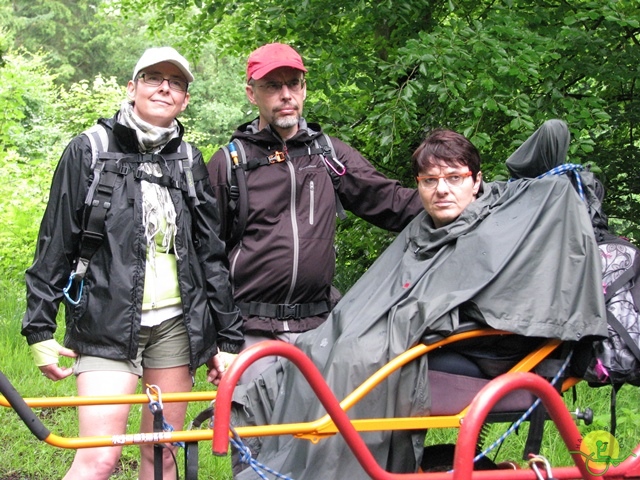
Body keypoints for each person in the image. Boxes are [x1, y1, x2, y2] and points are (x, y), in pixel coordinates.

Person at [228, 125, 608, 479]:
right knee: (311, 351)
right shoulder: (424, 229)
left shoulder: (501, 224)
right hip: (401, 334)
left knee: (354, 355)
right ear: (419, 186)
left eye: (454, 178)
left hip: (481, 348)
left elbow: (554, 136)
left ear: (476, 181)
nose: (442, 189)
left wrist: (423, 319)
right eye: (430, 181)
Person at [21, 46, 242, 480]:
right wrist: (39, 328)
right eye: (152, 78)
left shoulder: (188, 159)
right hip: (104, 321)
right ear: (132, 87)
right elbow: (55, 241)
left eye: (175, 82)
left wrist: (228, 341)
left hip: (175, 328)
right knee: (98, 457)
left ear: (184, 99)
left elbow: (209, 254)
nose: (164, 87)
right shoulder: (89, 150)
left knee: (161, 456)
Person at [206, 42, 423, 384]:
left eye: (293, 84)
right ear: (251, 93)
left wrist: (461, 199)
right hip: (250, 329)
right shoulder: (231, 162)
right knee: (256, 434)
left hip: (318, 327)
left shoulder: (327, 153)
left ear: (304, 89)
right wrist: (223, 338)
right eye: (272, 86)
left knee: (319, 434)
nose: (286, 94)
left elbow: (391, 202)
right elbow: (207, 257)